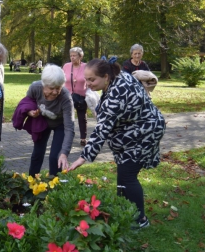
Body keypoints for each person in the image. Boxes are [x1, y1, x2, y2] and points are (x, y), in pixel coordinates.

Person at [68, 57, 166, 229]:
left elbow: (101, 130)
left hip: (144, 134)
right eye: (86, 79)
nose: (88, 84)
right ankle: (125, 213)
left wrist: (83, 158)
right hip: (136, 130)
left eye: (92, 80)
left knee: (127, 176)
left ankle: (139, 220)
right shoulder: (117, 76)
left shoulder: (116, 94)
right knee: (123, 175)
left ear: (106, 76)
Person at [26, 64, 75, 177]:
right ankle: (31, 182)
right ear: (44, 84)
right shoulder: (35, 87)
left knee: (55, 156)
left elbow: (69, 128)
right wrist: (30, 112)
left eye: (58, 88)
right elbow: (26, 103)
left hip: (61, 125)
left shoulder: (66, 98)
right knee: (37, 153)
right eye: (51, 88)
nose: (55, 92)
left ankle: (54, 184)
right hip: (42, 122)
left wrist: (64, 153)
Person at [63, 47, 88, 146]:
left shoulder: (86, 66)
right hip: (68, 96)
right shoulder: (66, 66)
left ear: (80, 56)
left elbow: (90, 79)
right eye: (71, 56)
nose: (72, 58)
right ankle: (68, 137)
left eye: (74, 55)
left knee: (82, 118)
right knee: (68, 118)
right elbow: (61, 79)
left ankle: (83, 138)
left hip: (82, 97)